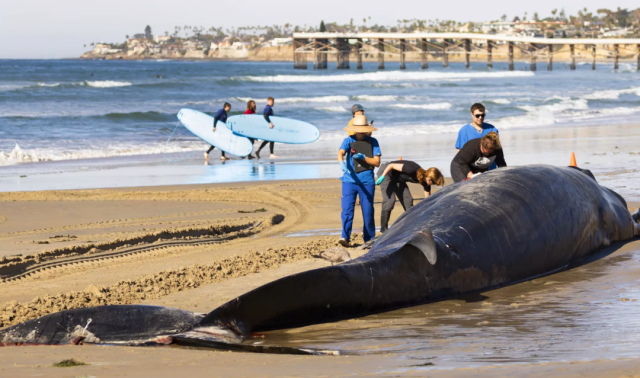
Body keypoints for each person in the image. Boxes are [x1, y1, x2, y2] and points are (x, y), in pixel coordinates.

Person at [337, 115, 381, 247]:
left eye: (362, 129)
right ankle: (345, 237)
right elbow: (340, 153)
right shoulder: (347, 140)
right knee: (347, 210)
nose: (359, 132)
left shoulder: (373, 142)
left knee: (367, 212)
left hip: (367, 182)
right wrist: (341, 163)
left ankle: (369, 239)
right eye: (357, 129)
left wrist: (364, 158)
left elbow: (377, 162)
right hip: (349, 181)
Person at [375, 161, 444, 233]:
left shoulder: (425, 182)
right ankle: (383, 230)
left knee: (408, 200)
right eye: (434, 183)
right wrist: (382, 176)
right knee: (390, 201)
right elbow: (391, 165)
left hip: (397, 179)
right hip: (386, 172)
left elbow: (427, 201)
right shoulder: (412, 169)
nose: (434, 184)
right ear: (429, 178)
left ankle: (412, 226)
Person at [456, 103, 499, 169]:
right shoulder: (464, 131)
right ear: (472, 114)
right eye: (477, 115)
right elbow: (459, 153)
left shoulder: (492, 129)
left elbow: (498, 151)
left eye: (482, 115)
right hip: (473, 171)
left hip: (491, 169)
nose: (480, 118)